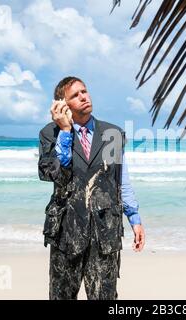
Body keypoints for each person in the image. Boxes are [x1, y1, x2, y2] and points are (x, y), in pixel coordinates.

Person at [38, 76, 145, 300]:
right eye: (75, 95)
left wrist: (134, 217)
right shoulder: (50, 134)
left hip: (105, 231)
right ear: (62, 105)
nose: (84, 97)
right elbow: (50, 174)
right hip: (66, 231)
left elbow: (120, 180)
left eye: (84, 91)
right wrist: (66, 131)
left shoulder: (112, 134)